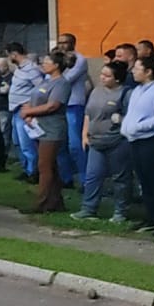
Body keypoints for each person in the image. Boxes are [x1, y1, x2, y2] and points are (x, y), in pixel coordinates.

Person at [122, 55, 154, 238]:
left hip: (150, 140)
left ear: (148, 72)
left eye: (137, 69)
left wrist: (139, 126)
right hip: (134, 140)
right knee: (144, 181)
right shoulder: (137, 90)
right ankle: (150, 216)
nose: (133, 72)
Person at [74, 61, 131, 222]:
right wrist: (84, 134)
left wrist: (120, 120)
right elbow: (88, 114)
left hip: (117, 141)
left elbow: (131, 116)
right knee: (93, 175)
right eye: (102, 74)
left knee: (120, 178)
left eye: (107, 76)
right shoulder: (96, 91)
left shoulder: (125, 93)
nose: (102, 78)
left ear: (117, 79)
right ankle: (88, 208)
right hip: (95, 141)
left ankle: (120, 211)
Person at [19, 50, 72, 213]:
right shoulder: (45, 81)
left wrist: (30, 112)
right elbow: (34, 99)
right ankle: (55, 201)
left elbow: (52, 105)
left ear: (56, 65)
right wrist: (28, 111)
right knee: (50, 166)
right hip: (39, 128)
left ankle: (41, 203)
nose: (43, 64)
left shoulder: (61, 84)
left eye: (47, 62)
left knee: (44, 165)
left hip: (52, 129)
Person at [58, 33, 92, 189]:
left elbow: (65, 80)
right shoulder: (58, 58)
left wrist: (56, 71)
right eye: (60, 42)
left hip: (74, 104)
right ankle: (66, 178)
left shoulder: (80, 60)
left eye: (65, 42)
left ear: (73, 43)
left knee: (75, 145)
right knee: (60, 143)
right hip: (60, 104)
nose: (62, 46)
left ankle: (85, 179)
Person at [7, 43, 44, 183]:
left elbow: (41, 89)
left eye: (9, 55)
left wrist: (31, 106)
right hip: (15, 110)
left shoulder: (31, 69)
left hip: (24, 111)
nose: (8, 58)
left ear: (14, 54)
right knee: (17, 142)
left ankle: (33, 172)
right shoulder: (19, 68)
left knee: (27, 143)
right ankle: (26, 168)